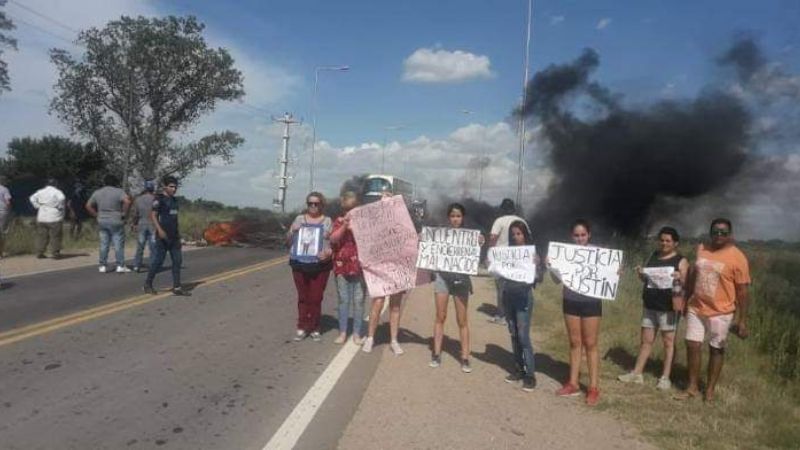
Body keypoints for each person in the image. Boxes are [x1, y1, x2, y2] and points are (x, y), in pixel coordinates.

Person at [677, 218, 750, 403]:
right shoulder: (702, 249)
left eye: (723, 232)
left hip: (722, 311)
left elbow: (742, 292)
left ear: (730, 235)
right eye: (715, 231)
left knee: (716, 349)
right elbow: (694, 274)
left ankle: (709, 390)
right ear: (710, 233)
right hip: (697, 306)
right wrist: (686, 299)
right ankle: (692, 387)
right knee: (692, 345)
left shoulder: (738, 257)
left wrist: (741, 320)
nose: (719, 235)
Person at [618, 226, 689, 390]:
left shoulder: (681, 260)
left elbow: (687, 283)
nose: (664, 243)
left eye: (668, 241)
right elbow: (648, 279)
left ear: (675, 243)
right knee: (646, 341)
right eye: (662, 240)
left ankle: (665, 377)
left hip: (668, 307)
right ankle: (637, 373)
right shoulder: (654, 256)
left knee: (668, 343)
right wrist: (641, 274)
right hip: (650, 305)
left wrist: (681, 277)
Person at [549, 219, 603, 406]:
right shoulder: (566, 254)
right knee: (574, 342)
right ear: (572, 236)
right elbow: (557, 280)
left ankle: (593, 387)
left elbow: (608, 276)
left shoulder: (599, 253)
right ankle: (573, 383)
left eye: (583, 235)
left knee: (591, 343)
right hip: (571, 300)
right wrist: (552, 266)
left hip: (591, 302)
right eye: (576, 235)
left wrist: (615, 272)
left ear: (589, 235)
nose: (580, 238)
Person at [430, 203, 476, 373]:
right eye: (453, 216)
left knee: (462, 320)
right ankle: (436, 353)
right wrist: (423, 237)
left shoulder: (470, 235)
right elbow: (430, 244)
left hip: (461, 281)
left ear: (462, 217)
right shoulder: (442, 234)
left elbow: (480, 247)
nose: (455, 219)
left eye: (458, 216)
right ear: (448, 218)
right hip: (443, 279)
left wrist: (481, 241)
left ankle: (465, 357)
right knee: (440, 316)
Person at [362, 190, 407, 355]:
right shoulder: (373, 224)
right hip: (379, 269)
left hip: (396, 269)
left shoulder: (402, 224)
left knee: (395, 306)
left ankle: (394, 340)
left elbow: (409, 245)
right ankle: (370, 337)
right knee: (377, 304)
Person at [288, 192, 333, 342]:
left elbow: (334, 243)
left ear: (322, 204)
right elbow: (288, 240)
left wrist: (328, 252)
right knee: (303, 297)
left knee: (316, 298)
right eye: (310, 203)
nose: (313, 206)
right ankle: (302, 326)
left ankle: (314, 326)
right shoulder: (299, 219)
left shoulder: (327, 221)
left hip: (320, 266)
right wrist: (292, 230)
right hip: (299, 263)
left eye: (316, 203)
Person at [502, 220, 540, 391]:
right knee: (513, 333)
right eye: (513, 234)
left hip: (523, 297)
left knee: (523, 336)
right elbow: (497, 271)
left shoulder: (532, 254)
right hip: (508, 296)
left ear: (525, 234)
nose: (516, 237)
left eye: (519, 233)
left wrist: (537, 265)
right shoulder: (506, 253)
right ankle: (518, 369)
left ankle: (530, 375)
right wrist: (492, 265)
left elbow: (538, 278)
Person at [330, 190, 366, 345]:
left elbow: (370, 241)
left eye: (352, 209)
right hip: (341, 266)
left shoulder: (363, 223)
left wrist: (356, 230)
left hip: (360, 267)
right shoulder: (338, 221)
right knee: (343, 300)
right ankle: (343, 332)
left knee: (358, 301)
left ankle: (357, 333)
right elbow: (333, 239)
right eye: (346, 209)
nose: (349, 212)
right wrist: (344, 226)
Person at [143, 176, 187, 296]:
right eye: (171, 186)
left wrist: (179, 234)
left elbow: (174, 218)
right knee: (158, 262)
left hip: (174, 236)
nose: (174, 189)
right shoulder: (159, 200)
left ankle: (177, 287)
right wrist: (160, 230)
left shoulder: (175, 201)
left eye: (175, 187)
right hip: (162, 236)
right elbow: (153, 215)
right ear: (165, 187)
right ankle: (148, 284)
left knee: (177, 261)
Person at [488, 198, 528, 325]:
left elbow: (493, 237)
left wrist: (490, 252)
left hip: (501, 258)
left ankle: (502, 315)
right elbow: (528, 238)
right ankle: (514, 313)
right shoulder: (521, 221)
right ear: (514, 209)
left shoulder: (499, 221)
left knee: (501, 287)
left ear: (502, 209)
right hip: (518, 259)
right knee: (516, 286)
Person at [86, 174, 132, 273]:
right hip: (116, 219)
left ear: (104, 182)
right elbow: (127, 202)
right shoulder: (119, 192)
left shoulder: (97, 192)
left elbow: (88, 205)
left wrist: (96, 214)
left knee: (104, 243)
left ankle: (102, 265)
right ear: (115, 182)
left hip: (102, 220)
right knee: (118, 243)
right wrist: (123, 214)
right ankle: (120, 265)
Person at [29, 178, 66, 259]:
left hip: (42, 216)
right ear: (55, 184)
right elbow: (62, 198)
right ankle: (55, 253)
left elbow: (32, 198)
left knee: (42, 236)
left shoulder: (40, 191)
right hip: (54, 216)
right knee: (55, 236)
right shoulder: (57, 191)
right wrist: (59, 206)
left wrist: (37, 206)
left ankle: (40, 252)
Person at [131, 180, 157, 272]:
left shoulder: (138, 199)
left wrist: (134, 224)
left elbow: (135, 214)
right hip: (153, 225)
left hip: (141, 224)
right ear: (153, 188)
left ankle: (136, 266)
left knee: (140, 246)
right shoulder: (155, 199)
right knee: (153, 247)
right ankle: (153, 266)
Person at [0, 175, 12, 257]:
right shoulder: (4, 189)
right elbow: (8, 202)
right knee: (2, 232)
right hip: (3, 212)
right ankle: (1, 253)